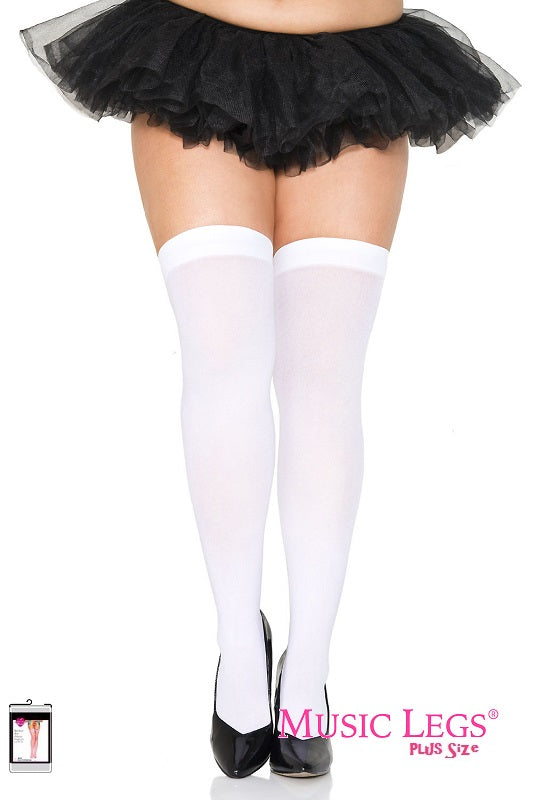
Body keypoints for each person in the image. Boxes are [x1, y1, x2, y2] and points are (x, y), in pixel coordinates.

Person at [19, 0, 521, 780]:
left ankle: (308, 668)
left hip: (355, 53)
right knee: (222, 361)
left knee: (324, 381)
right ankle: (238, 649)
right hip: (197, 48)